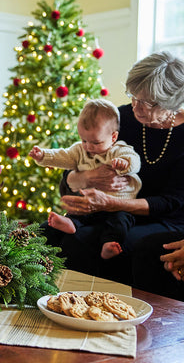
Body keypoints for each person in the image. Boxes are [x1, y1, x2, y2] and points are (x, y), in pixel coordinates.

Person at [47, 51, 184, 293]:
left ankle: (118, 317)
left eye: (147, 102)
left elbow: (171, 202)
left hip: (165, 219)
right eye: (133, 96)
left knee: (130, 244)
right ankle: (70, 306)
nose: (136, 106)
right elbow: (78, 160)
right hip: (113, 211)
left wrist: (110, 203)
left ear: (172, 101)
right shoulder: (121, 118)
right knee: (66, 235)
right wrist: (83, 178)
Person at [29, 99, 141, 260]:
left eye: (96, 142)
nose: (88, 147)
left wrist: (125, 163)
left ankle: (109, 244)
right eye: (84, 140)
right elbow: (63, 156)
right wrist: (43, 156)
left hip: (117, 205)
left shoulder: (118, 150)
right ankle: (70, 224)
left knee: (120, 221)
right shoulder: (80, 150)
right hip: (89, 204)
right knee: (77, 212)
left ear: (113, 136)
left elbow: (134, 159)